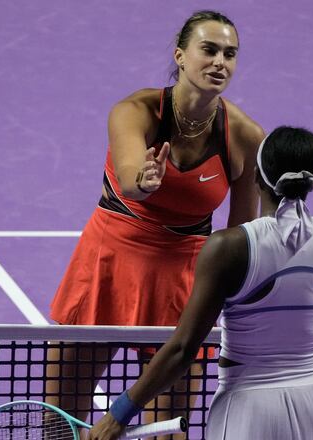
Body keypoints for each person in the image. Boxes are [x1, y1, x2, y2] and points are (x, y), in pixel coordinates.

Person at [87, 126, 313, 440]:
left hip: (249, 409)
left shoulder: (230, 247)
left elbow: (183, 349)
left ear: (256, 177)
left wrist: (119, 414)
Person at [46, 9, 265, 435]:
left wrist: (237, 304)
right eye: (209, 50)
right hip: (106, 267)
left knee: (167, 433)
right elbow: (130, 180)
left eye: (230, 54)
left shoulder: (245, 136)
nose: (220, 62)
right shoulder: (136, 110)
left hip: (182, 283)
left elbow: (241, 235)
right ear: (181, 56)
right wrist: (145, 183)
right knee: (58, 425)